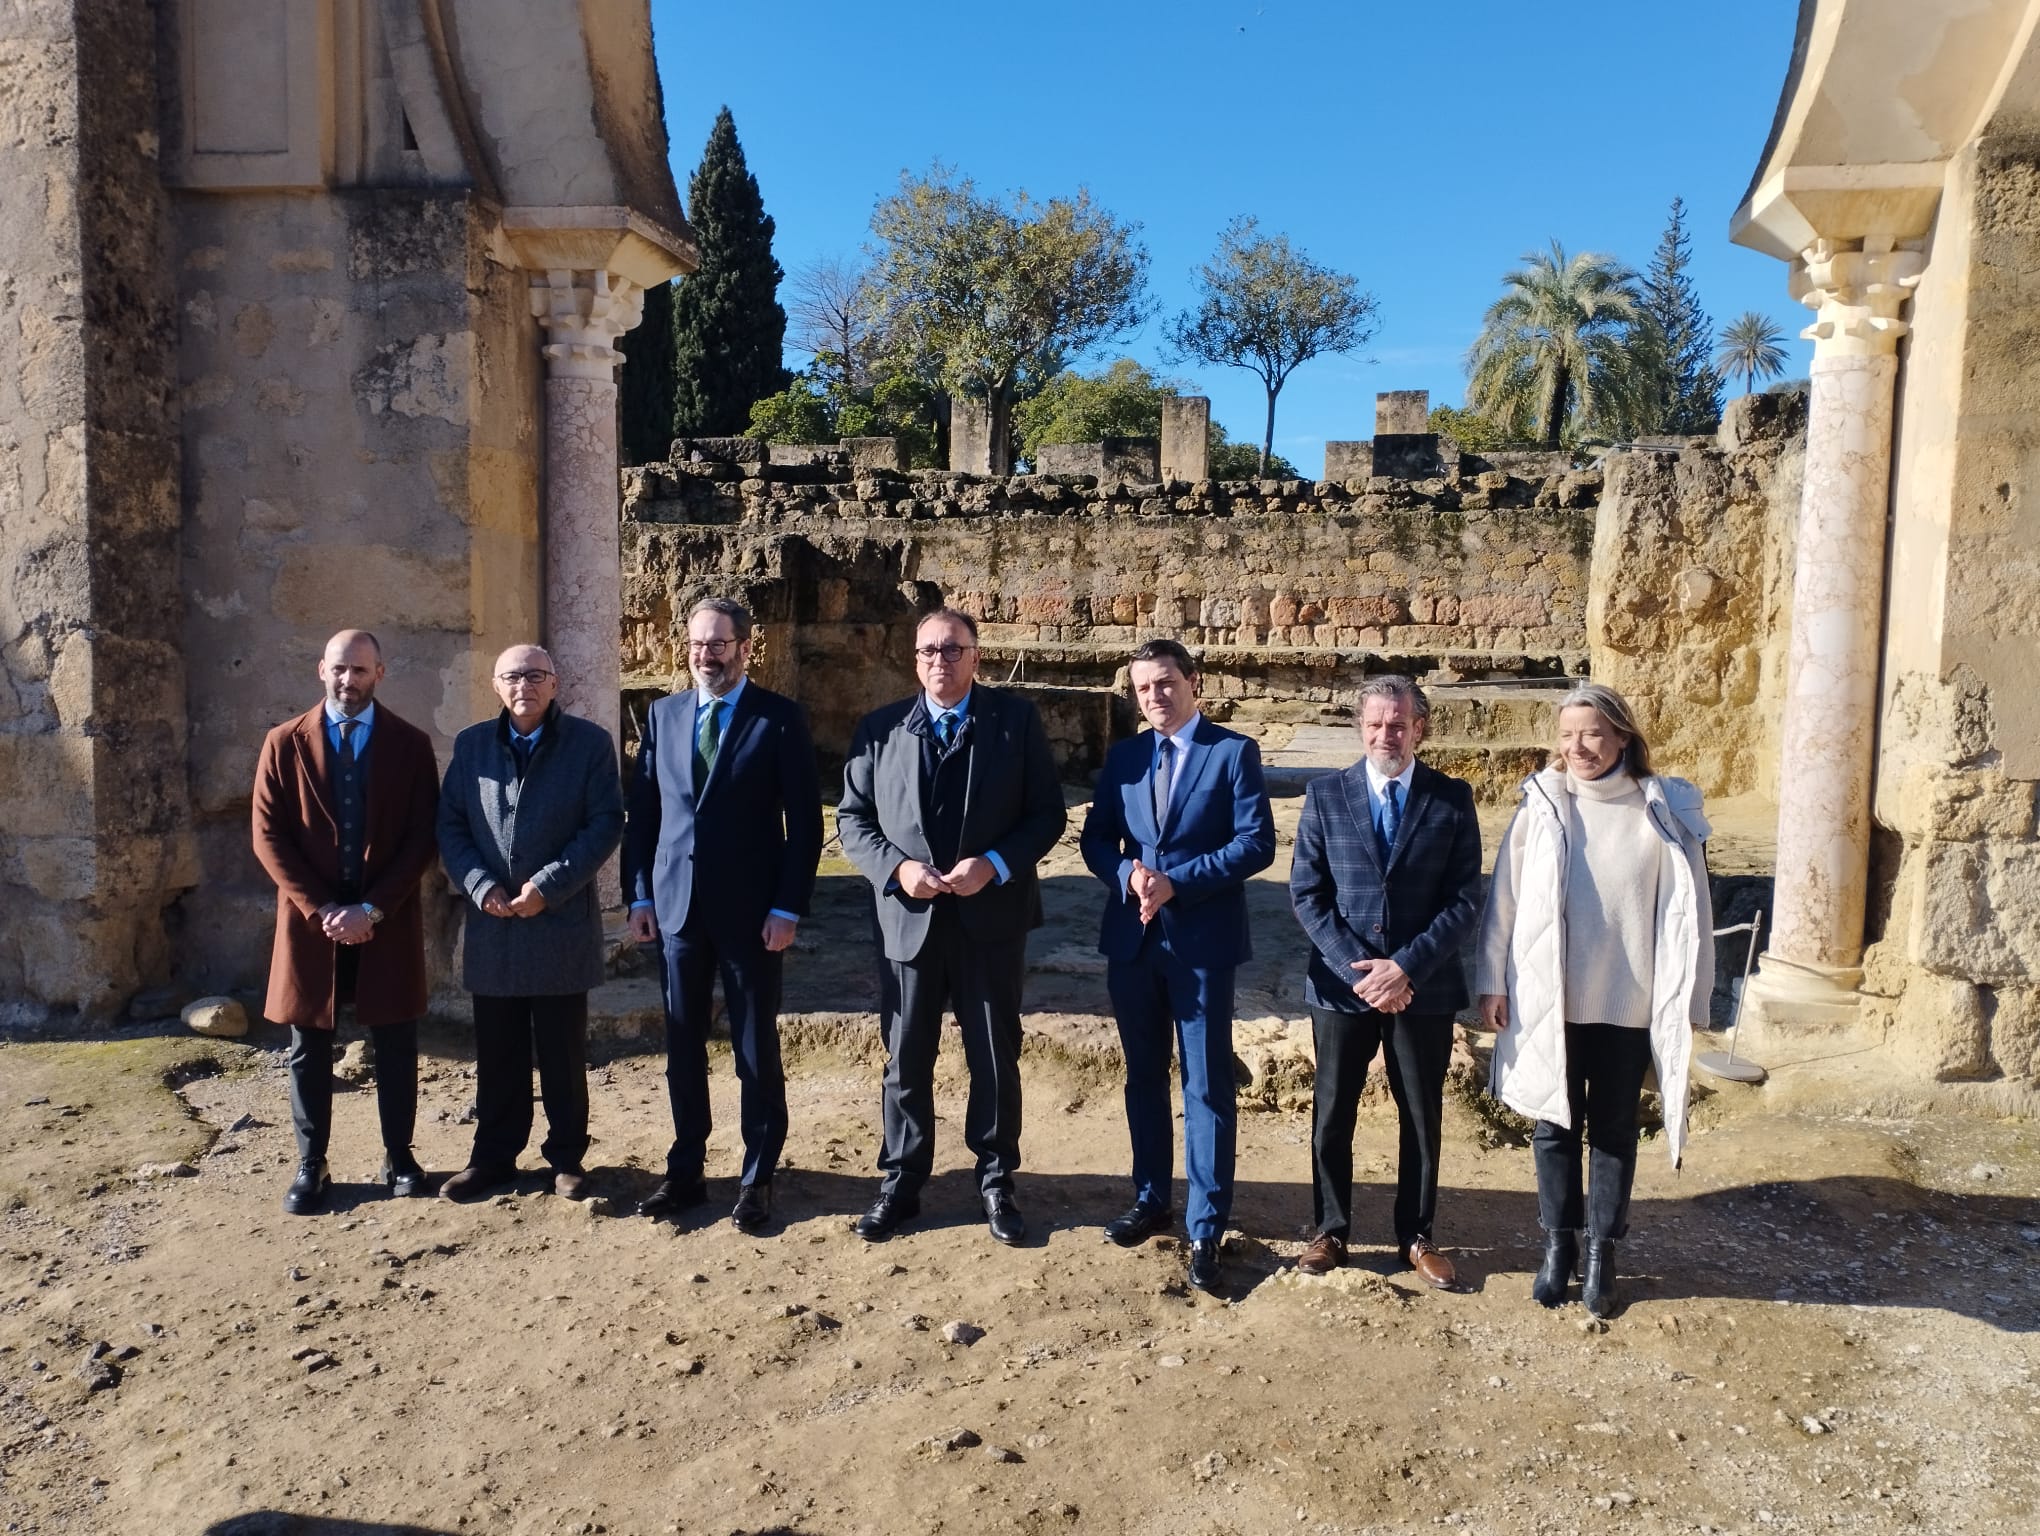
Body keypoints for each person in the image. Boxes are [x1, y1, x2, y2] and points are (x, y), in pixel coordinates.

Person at [1475, 682, 1714, 1319]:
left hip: (1627, 999)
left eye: (1591, 734)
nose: (1577, 747)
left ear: (1621, 738)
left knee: (1612, 1132)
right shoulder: (1545, 803)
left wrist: (1694, 996)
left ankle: (1603, 1254)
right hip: (1551, 997)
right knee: (1554, 1126)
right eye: (1567, 735)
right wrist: (1492, 982)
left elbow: (1693, 912)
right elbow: (1505, 899)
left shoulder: (1661, 808)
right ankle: (1558, 1246)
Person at [836, 608, 1066, 1246]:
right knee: (906, 1055)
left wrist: (993, 865)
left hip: (990, 920)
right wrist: (896, 869)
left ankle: (995, 1180)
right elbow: (852, 821)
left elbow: (1047, 815)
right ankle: (902, 1181)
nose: (941, 660)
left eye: (954, 649)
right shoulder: (879, 730)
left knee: (994, 1052)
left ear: (976, 656)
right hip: (908, 921)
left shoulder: (1015, 723)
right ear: (915, 659)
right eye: (929, 650)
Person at [1079, 639, 1275, 1292]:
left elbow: (1256, 842)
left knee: (1206, 1084)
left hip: (1201, 942)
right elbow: (1096, 838)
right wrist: (1128, 872)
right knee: (1141, 1077)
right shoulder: (1126, 756)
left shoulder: (1232, 753)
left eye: (1166, 684)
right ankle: (1150, 1195)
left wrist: (1177, 882)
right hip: (1132, 942)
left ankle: (1206, 1221)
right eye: (1143, 689)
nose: (1155, 697)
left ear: (1194, 682)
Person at [621, 598, 822, 1230]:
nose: (706, 655)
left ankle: (757, 1177)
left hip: (752, 913)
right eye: (697, 644)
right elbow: (646, 813)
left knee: (754, 1047)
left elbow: (806, 825)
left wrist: (787, 906)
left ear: (744, 647)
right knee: (682, 1044)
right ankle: (685, 1172)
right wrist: (640, 895)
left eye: (719, 644)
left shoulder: (780, 719)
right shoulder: (664, 714)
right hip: (678, 908)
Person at [1287, 676, 1483, 1289]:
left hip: (1421, 987)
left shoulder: (1452, 799)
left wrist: (1406, 968)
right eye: (1374, 724)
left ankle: (1416, 1236)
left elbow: (1464, 899)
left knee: (1421, 1115)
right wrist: (1363, 970)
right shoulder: (1325, 794)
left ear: (1419, 728)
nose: (1385, 735)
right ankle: (1330, 1230)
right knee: (1332, 1111)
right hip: (1343, 987)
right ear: (1360, 727)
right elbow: (1308, 894)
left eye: (1397, 724)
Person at [251, 629, 440, 1215]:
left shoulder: (410, 745)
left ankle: (399, 1155)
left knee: (397, 1040)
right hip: (313, 925)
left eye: (360, 671)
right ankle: (312, 1162)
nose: (348, 681)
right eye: (339, 669)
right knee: (308, 1044)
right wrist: (322, 908)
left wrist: (373, 907)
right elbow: (267, 836)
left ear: (380, 673)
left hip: (387, 920)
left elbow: (420, 838)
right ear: (321, 669)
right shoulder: (283, 744)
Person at [436, 645, 623, 1202]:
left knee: (563, 1052)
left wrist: (549, 886)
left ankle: (566, 1158)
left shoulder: (589, 744)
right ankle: (493, 1157)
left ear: (554, 683)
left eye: (537, 675)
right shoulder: (472, 747)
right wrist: (478, 885)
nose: (526, 685)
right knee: (498, 1051)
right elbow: (450, 825)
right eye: (514, 676)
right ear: (497, 685)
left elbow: (605, 821)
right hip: (494, 924)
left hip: (559, 921)